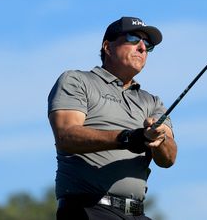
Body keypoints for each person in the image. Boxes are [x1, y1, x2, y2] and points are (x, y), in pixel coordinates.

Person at [47, 16, 177, 220]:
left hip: (136, 212)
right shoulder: (77, 80)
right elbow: (66, 136)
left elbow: (168, 158)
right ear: (107, 47)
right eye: (134, 38)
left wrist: (158, 139)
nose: (142, 48)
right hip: (89, 208)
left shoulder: (152, 102)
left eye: (147, 44)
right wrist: (127, 138)